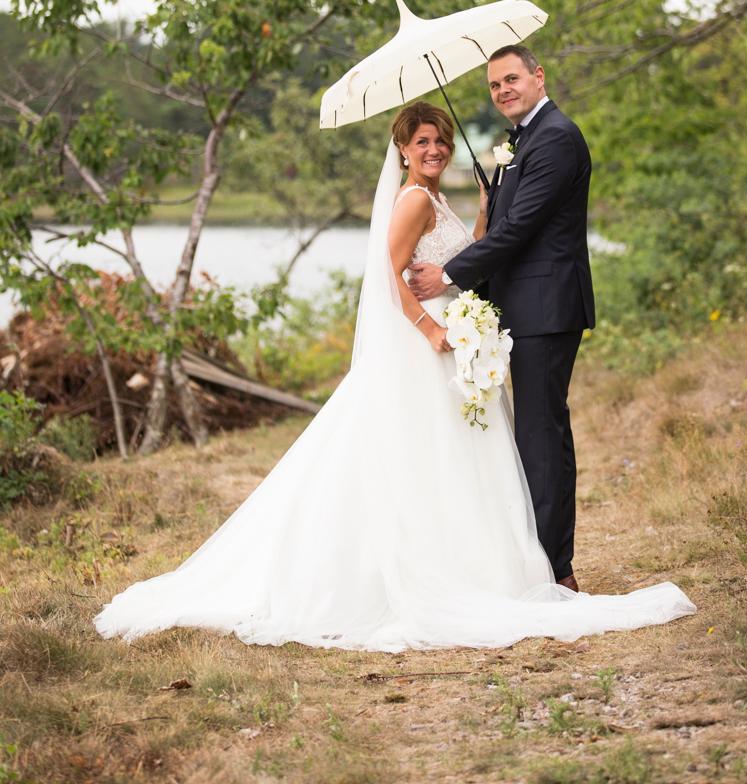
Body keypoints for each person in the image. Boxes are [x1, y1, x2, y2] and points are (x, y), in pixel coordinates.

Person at [94, 101, 694, 650]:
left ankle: (476, 562)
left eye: (442, 141)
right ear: (403, 149)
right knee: (422, 454)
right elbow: (391, 277)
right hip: (423, 347)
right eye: (424, 141)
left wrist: (483, 218)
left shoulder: (435, 200)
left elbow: (455, 265)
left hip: (454, 341)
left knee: (455, 457)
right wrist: (430, 329)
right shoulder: (411, 199)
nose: (435, 149)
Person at [410, 47, 593, 592]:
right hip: (528, 307)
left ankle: (554, 572)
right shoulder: (523, 142)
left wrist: (447, 276)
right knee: (539, 433)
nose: (502, 90)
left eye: (511, 79)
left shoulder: (556, 136)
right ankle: (548, 562)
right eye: (493, 85)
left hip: (546, 308)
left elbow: (523, 232)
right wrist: (491, 206)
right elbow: (507, 224)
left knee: (541, 435)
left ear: (539, 77)